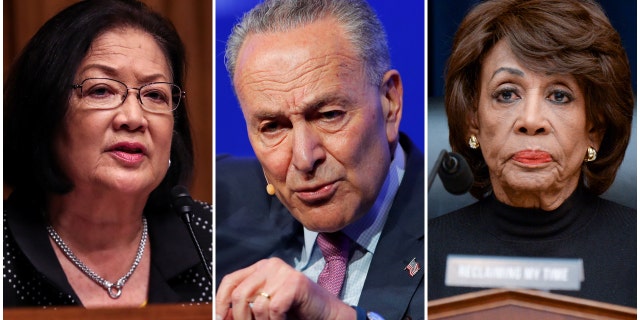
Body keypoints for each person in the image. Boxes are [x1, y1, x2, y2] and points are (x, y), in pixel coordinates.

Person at [215, 0, 424, 319]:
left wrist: (333, 315)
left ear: (389, 103)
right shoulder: (211, 216)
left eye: (329, 115)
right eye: (273, 127)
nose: (303, 158)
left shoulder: (451, 227)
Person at [3, 0, 212, 308]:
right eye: (101, 90)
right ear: (44, 111)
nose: (134, 118)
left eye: (155, 95)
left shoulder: (211, 238)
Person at [428, 0, 636, 307]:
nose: (531, 121)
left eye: (559, 95)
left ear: (594, 129)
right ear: (473, 121)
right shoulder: (423, 255)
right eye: (507, 93)